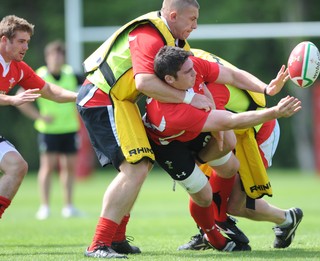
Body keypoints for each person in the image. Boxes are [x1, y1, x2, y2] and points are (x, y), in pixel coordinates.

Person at [76, 0, 213, 258]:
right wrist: (188, 100)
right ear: (173, 15)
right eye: (191, 19)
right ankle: (98, 244)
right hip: (102, 97)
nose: (195, 25)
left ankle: (116, 240)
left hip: (120, 101)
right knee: (135, 168)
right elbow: (144, 81)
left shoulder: (173, 39)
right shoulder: (149, 35)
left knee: (143, 164)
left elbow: (194, 74)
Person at [143, 46, 301, 251]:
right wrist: (275, 111)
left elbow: (233, 78)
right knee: (208, 193)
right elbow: (229, 121)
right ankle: (214, 232)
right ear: (169, 79)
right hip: (196, 135)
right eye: (190, 20)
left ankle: (286, 218)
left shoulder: (192, 63)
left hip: (258, 130)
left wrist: (266, 90)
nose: (194, 72)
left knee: (235, 203)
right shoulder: (176, 107)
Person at [0, 15, 77, 220]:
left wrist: (82, 97)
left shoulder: (19, 68)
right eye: (21, 41)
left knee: (17, 166)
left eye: (27, 42)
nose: (25, 47)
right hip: (49, 132)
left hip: (67, 131)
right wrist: (10, 100)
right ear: (4, 40)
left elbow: (51, 91)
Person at [16, 40, 82, 220]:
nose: (57, 58)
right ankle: (44, 207)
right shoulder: (39, 75)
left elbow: (87, 92)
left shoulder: (72, 75)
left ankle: (69, 206)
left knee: (69, 168)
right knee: (47, 168)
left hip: (69, 128)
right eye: (54, 55)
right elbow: (19, 98)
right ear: (47, 57)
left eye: (60, 55)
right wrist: (38, 116)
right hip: (48, 130)